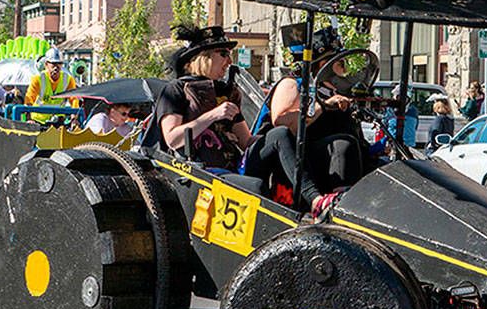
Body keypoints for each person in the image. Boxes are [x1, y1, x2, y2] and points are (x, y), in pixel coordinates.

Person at [242, 25, 364, 219]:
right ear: (322, 64)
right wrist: (322, 107)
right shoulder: (292, 83)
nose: (345, 69)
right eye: (340, 63)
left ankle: (344, 204)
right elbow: (281, 122)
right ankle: (318, 202)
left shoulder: (333, 94)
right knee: (342, 142)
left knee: (348, 142)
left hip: (309, 160)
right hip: (276, 159)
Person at [155, 25, 252, 171]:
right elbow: (173, 139)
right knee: (255, 188)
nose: (230, 61)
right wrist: (213, 115)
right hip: (200, 174)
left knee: (279, 136)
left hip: (233, 169)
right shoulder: (176, 89)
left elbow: (246, 141)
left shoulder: (227, 91)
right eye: (223, 54)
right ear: (204, 56)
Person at [25, 49, 76, 122]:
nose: (56, 67)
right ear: (46, 64)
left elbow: (74, 99)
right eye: (53, 63)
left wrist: (74, 117)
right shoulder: (38, 79)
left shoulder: (68, 79)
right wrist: (29, 119)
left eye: (59, 63)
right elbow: (29, 99)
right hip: (38, 120)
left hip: (58, 120)